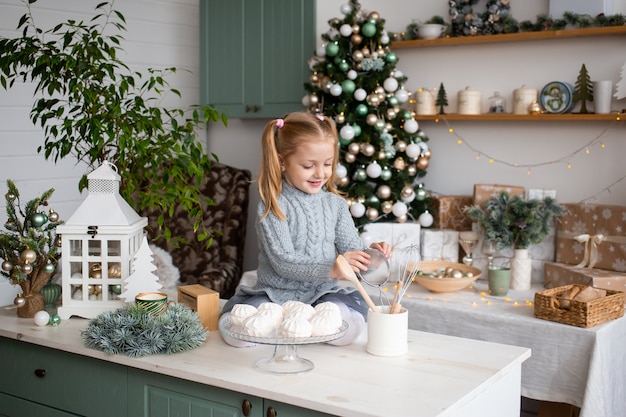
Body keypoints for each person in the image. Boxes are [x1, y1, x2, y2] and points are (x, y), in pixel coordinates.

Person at [220, 112, 391, 347]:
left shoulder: (336, 205)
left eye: (328, 164)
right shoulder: (273, 205)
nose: (320, 173)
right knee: (236, 334)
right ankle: (282, 324)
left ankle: (301, 326)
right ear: (282, 162)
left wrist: (371, 257)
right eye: (308, 166)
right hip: (274, 295)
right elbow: (284, 263)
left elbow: (352, 253)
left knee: (349, 325)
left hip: (322, 295)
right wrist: (332, 268)